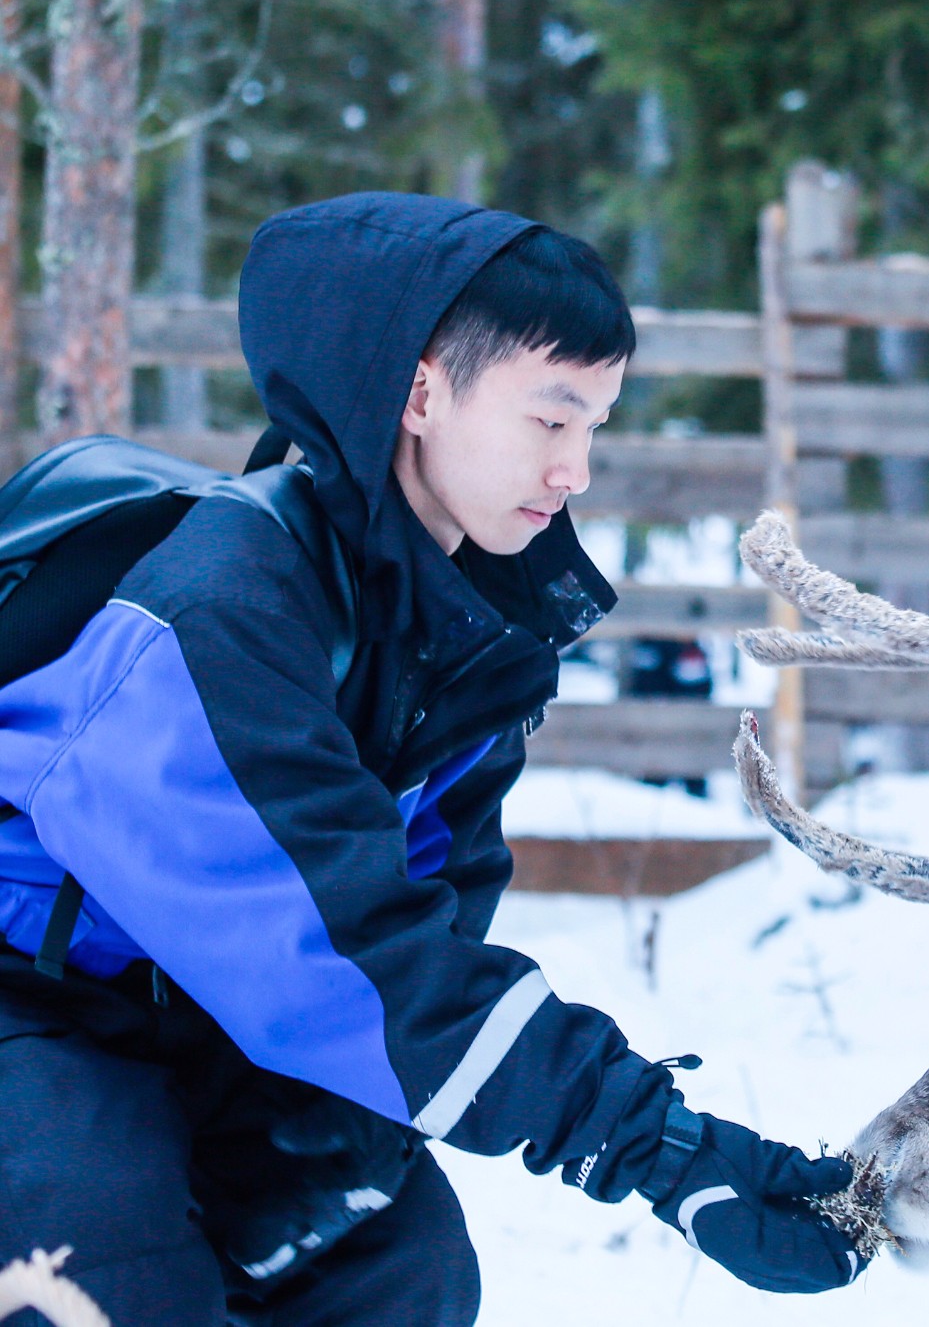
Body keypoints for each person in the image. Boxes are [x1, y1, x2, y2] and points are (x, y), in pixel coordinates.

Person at [0, 193, 864, 1325]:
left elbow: (436, 910)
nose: (576, 472)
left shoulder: (462, 632)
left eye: (595, 426)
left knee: (395, 1263)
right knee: (103, 1277)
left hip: (205, 1016)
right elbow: (344, 951)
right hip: (36, 1006)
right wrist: (657, 1147)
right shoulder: (211, 614)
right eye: (550, 420)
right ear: (421, 392)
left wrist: (357, 1120)